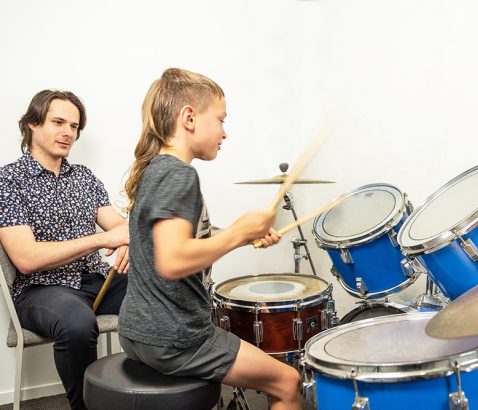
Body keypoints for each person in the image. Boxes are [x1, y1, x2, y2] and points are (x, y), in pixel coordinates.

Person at [119, 68, 301, 409]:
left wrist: (245, 237)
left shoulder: (155, 169)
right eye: (220, 119)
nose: (224, 132)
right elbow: (172, 260)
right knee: (288, 382)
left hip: (136, 331)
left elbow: (174, 240)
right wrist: (237, 233)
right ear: (189, 117)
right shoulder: (179, 175)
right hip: (174, 338)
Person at [0, 90, 130, 409]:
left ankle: (148, 393)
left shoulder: (84, 177)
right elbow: (27, 259)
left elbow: (119, 226)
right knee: (76, 322)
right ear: (32, 123)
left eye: (74, 126)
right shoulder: (8, 181)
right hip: (40, 290)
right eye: (58, 122)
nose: (68, 132)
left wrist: (126, 239)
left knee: (161, 293)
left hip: (95, 280)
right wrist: (100, 240)